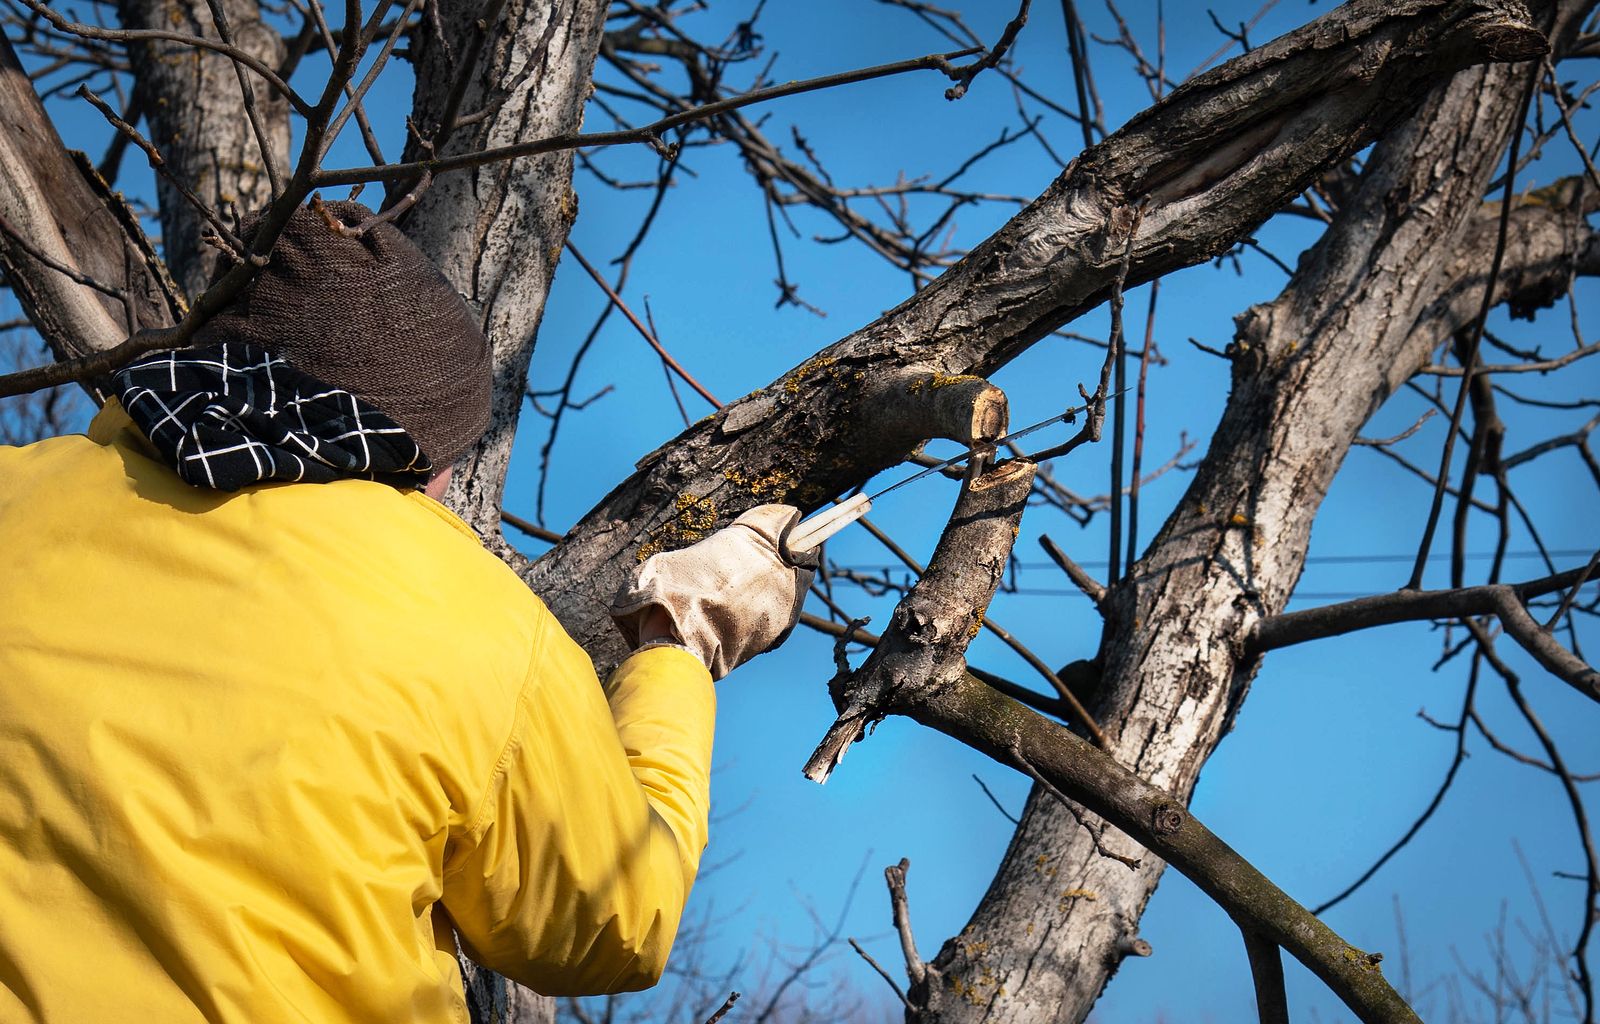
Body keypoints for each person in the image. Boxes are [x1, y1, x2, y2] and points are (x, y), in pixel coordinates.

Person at [0, 202, 811, 1023]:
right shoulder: (477, 627)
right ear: (412, 450)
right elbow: (616, 920)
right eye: (451, 461)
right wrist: (684, 640)